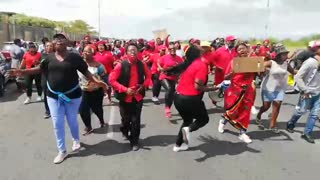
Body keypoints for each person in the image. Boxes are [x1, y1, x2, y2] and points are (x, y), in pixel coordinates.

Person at [10, 33, 108, 164]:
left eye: (62, 39)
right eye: (56, 39)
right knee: (57, 123)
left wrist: (98, 82)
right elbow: (39, 69)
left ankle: (76, 140)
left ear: (67, 42)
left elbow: (86, 72)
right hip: (53, 96)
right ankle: (62, 151)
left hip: (73, 96)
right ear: (53, 43)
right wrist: (22, 72)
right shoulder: (48, 57)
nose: (59, 41)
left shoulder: (75, 58)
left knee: (72, 119)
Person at [167, 45, 219, 152]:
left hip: (178, 98)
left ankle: (178, 145)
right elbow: (198, 86)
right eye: (212, 52)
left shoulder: (193, 63)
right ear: (205, 54)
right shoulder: (202, 66)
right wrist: (213, 88)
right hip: (189, 99)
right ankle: (188, 129)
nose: (214, 54)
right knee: (203, 119)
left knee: (187, 121)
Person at [109, 43, 151, 151]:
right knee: (125, 119)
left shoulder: (142, 64)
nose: (133, 51)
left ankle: (134, 141)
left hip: (138, 97)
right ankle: (124, 130)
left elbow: (149, 76)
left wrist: (143, 85)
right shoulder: (121, 65)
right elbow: (111, 80)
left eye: (135, 49)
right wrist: (125, 89)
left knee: (136, 120)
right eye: (130, 50)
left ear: (138, 52)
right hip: (125, 97)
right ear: (126, 53)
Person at [217, 42, 256, 144]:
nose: (242, 50)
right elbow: (226, 77)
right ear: (237, 52)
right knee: (233, 111)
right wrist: (233, 72)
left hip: (248, 91)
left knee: (246, 112)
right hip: (235, 90)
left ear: (247, 50)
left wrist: (263, 69)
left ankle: (242, 133)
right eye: (239, 49)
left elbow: (260, 74)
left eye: (243, 48)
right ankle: (223, 121)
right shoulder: (233, 62)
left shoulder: (252, 61)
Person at [256, 44, 296, 133]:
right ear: (278, 55)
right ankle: (259, 114)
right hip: (268, 88)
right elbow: (259, 66)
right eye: (284, 54)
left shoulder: (286, 64)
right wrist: (262, 70)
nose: (286, 56)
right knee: (266, 106)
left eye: (286, 54)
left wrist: (303, 72)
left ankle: (272, 125)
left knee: (277, 107)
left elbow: (293, 72)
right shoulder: (271, 62)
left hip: (280, 89)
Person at [286, 41, 320, 144]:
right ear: (316, 49)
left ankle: (307, 133)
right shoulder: (310, 62)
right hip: (307, 91)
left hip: (318, 92)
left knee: (314, 114)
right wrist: (304, 90)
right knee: (301, 111)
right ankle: (291, 123)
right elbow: (298, 77)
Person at [79, 46, 107, 135]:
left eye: (88, 52)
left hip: (96, 91)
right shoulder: (79, 63)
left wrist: (100, 84)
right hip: (83, 91)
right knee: (83, 110)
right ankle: (88, 127)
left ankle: (101, 120)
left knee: (97, 109)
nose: (85, 53)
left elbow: (104, 77)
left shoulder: (99, 65)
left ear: (93, 53)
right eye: (84, 51)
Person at [158, 43, 183, 118]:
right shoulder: (165, 57)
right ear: (168, 50)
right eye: (170, 49)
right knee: (168, 89)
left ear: (176, 49)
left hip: (174, 78)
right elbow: (158, 63)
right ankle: (166, 107)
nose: (172, 50)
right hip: (164, 77)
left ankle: (168, 108)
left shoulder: (179, 58)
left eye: (173, 48)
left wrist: (179, 77)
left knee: (171, 94)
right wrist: (160, 68)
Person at [41, 41, 54, 119]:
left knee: (56, 95)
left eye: (51, 46)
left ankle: (57, 109)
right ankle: (47, 110)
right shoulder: (42, 55)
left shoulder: (56, 55)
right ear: (45, 47)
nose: (49, 47)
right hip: (45, 78)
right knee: (46, 95)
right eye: (47, 46)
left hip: (54, 78)